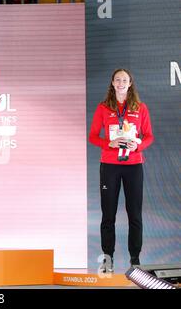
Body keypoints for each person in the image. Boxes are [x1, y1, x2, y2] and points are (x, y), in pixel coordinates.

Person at [89, 68, 154, 272]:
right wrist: (110, 143)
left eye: (124, 80)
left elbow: (149, 136)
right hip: (109, 167)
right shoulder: (103, 108)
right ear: (112, 83)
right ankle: (107, 258)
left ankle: (135, 260)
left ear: (130, 83)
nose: (121, 83)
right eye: (117, 80)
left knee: (134, 214)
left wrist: (138, 146)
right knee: (108, 214)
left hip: (134, 166)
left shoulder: (140, 108)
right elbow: (92, 136)